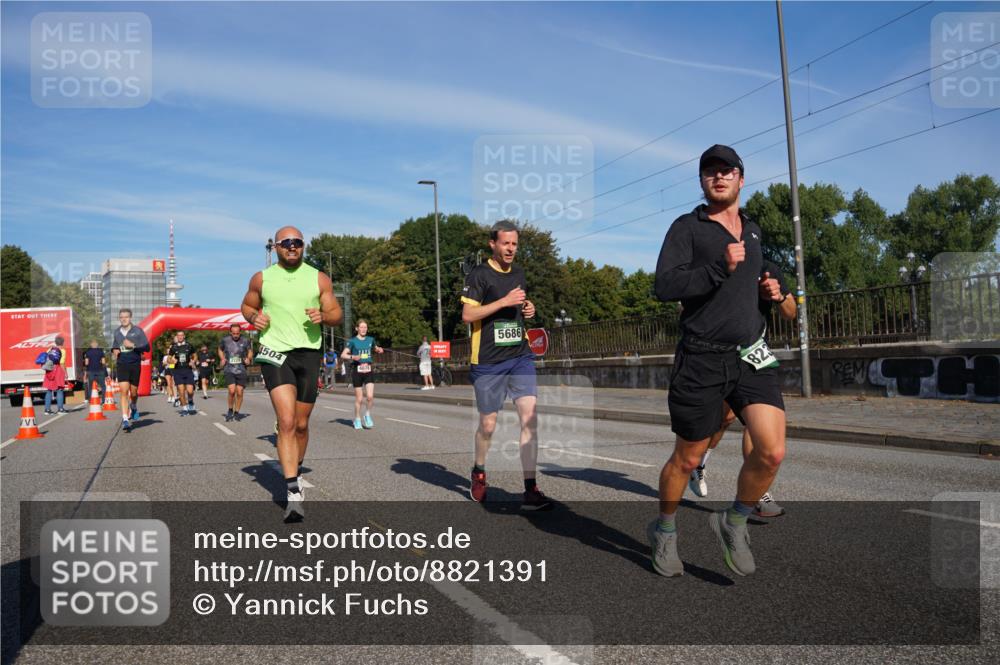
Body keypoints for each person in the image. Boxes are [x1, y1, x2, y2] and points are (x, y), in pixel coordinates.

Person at [649, 145, 786, 578]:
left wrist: (768, 293)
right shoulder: (687, 228)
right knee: (687, 460)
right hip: (702, 359)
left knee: (772, 451)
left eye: (727, 171)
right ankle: (665, 529)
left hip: (750, 355)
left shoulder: (754, 231)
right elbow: (664, 286)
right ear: (702, 181)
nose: (719, 176)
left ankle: (735, 520)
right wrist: (717, 269)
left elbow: (747, 290)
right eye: (710, 171)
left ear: (741, 179)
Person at [241, 225, 342, 522]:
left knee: (300, 424)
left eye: (297, 242)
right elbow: (247, 305)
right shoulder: (262, 278)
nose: (292, 246)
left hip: (308, 353)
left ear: (303, 245)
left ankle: (294, 468)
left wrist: (324, 316)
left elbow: (336, 314)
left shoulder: (318, 277)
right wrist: (253, 317)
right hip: (274, 351)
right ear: (275, 247)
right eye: (286, 243)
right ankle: (293, 491)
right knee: (285, 421)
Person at [689, 259, 797, 519]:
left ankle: (757, 493)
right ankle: (699, 463)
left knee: (756, 420)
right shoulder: (714, 263)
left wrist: (779, 296)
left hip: (754, 353)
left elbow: (791, 312)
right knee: (724, 419)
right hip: (719, 355)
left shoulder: (766, 268)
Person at [461, 220, 551, 511]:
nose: (511, 249)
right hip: (488, 361)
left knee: (529, 420)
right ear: (493, 244)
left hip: (520, 356)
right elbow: (467, 315)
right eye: (505, 243)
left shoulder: (519, 274)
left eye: (514, 244)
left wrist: (528, 308)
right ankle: (479, 470)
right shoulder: (479, 274)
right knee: (488, 425)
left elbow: (517, 309)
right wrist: (503, 301)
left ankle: (530, 489)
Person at [112, 308, 150, 431]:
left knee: (133, 392)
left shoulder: (138, 331)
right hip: (122, 364)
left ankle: (133, 405)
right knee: (124, 391)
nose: (123, 319)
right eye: (121, 317)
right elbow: (115, 345)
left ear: (130, 318)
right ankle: (125, 419)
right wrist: (115, 350)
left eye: (126, 317)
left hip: (134, 364)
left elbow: (147, 347)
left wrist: (133, 345)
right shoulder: (117, 332)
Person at [342, 320, 384, 429]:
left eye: (365, 327)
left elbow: (375, 348)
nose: (364, 329)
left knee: (370, 397)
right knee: (359, 399)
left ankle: (367, 415)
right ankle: (357, 418)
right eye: (361, 327)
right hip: (357, 371)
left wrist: (379, 349)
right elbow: (343, 355)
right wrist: (353, 357)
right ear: (357, 328)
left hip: (368, 370)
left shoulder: (371, 339)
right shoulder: (352, 341)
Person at [219, 323, 253, 422]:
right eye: (233, 333)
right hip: (229, 368)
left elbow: (250, 351)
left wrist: (248, 358)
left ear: (240, 332)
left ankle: (237, 412)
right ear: (230, 332)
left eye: (237, 333)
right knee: (231, 390)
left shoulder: (245, 340)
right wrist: (222, 358)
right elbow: (220, 349)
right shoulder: (225, 340)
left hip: (241, 369)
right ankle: (230, 409)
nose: (235, 335)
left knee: (240, 392)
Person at [168, 331, 197, 415]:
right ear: (177, 337)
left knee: (190, 391)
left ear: (184, 336)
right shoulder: (173, 347)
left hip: (188, 370)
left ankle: (190, 400)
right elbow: (168, 359)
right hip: (178, 371)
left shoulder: (189, 345)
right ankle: (184, 409)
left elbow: (195, 355)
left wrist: (193, 361)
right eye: (178, 335)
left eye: (181, 335)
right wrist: (172, 361)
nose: (180, 337)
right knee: (181, 391)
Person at [42, 335, 68, 415]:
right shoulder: (62, 351)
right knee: (59, 390)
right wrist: (65, 373)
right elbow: (62, 363)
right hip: (58, 370)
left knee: (49, 390)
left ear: (55, 342)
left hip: (49, 370)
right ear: (63, 343)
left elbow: (46, 360)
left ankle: (47, 410)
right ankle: (60, 409)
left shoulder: (50, 349)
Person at [83, 339, 107, 403]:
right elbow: (103, 362)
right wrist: (106, 373)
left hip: (91, 371)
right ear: (97, 345)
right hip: (100, 371)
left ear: (91, 345)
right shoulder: (101, 352)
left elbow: (86, 363)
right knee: (103, 386)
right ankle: (103, 401)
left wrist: (85, 373)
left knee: (90, 387)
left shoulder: (88, 352)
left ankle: (91, 400)